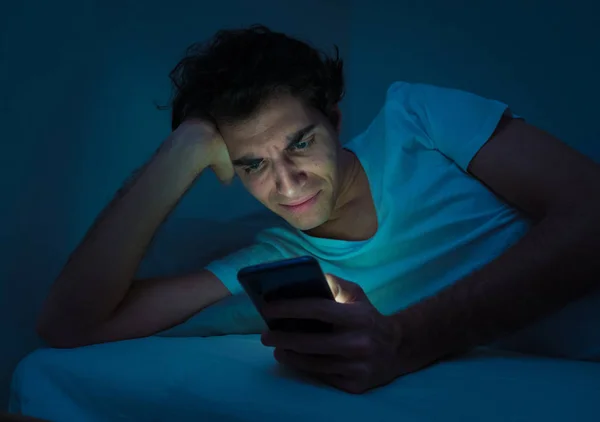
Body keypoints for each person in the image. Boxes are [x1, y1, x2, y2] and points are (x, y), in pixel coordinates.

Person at [37, 25, 600, 394]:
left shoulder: (417, 120)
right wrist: (175, 158)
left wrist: (406, 340)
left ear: (333, 118)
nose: (287, 183)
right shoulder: (273, 261)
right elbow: (70, 326)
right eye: (252, 164)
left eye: (300, 143)